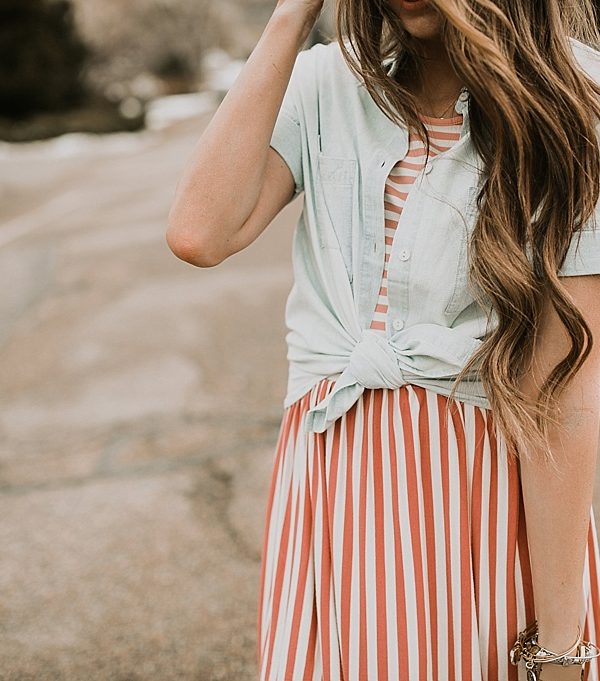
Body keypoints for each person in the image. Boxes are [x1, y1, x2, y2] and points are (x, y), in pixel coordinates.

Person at [166, 0, 600, 678]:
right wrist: (290, 15)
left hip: (482, 504)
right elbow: (200, 231)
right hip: (333, 488)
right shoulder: (323, 84)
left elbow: (562, 390)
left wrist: (562, 645)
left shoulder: (576, 97)